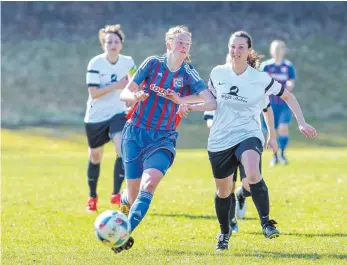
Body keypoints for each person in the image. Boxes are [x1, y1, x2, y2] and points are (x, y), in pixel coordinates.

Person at [205, 31, 317, 251]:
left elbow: (288, 96)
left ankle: (266, 223)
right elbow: (209, 100)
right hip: (220, 138)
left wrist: (300, 123)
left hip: (249, 133)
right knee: (223, 191)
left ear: (248, 51)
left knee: (253, 174)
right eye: (233, 46)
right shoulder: (217, 73)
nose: (236, 51)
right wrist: (187, 104)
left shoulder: (259, 78)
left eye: (241, 47)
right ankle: (225, 232)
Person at [111, 25, 217, 254]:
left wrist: (185, 104)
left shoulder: (188, 72)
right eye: (180, 42)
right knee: (132, 192)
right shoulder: (152, 64)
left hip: (163, 138)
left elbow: (212, 102)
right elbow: (124, 93)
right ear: (169, 44)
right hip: (135, 134)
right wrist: (135, 96)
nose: (184, 46)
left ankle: (124, 234)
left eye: (187, 43)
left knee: (149, 184)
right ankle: (125, 202)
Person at [84, 24, 137, 212]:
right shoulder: (95, 63)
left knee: (122, 148)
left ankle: (116, 194)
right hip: (96, 116)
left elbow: (134, 82)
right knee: (95, 156)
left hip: (118, 113)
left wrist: (133, 97)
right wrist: (117, 85)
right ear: (103, 44)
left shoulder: (129, 62)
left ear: (121, 44)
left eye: (116, 41)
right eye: (109, 41)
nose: (112, 44)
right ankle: (92, 196)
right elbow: (94, 93)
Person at [204, 96, 278, 225]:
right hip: (224, 143)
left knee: (249, 185)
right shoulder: (217, 90)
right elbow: (209, 119)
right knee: (228, 187)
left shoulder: (251, 87)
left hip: (247, 140)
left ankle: (242, 194)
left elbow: (266, 108)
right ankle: (231, 220)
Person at [260, 40, 296, 166]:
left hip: (284, 104)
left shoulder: (288, 66)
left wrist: (289, 85)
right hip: (270, 104)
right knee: (272, 131)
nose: (277, 51)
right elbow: (262, 82)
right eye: (274, 49)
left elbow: (291, 81)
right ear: (271, 51)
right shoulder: (266, 66)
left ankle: (282, 153)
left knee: (283, 128)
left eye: (279, 49)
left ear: (284, 51)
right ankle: (274, 156)